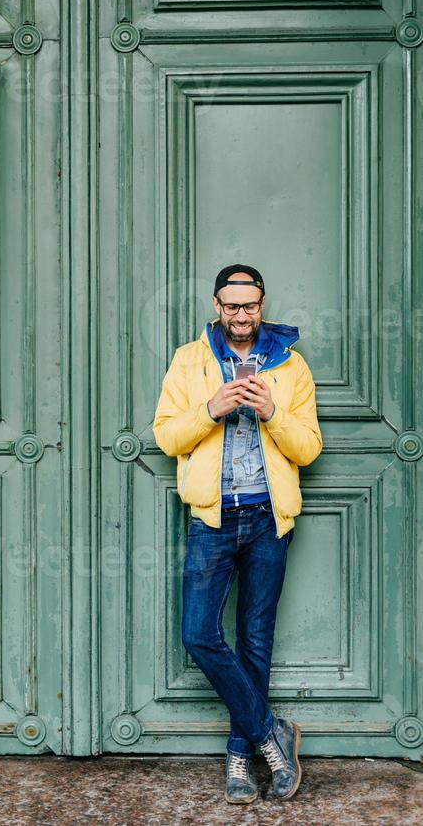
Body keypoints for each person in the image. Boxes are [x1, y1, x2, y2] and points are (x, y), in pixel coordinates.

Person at [153, 264, 322, 803]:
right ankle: (272, 733)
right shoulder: (190, 360)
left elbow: (309, 448)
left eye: (250, 306)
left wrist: (272, 412)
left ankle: (241, 756)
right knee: (200, 635)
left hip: (269, 519)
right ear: (216, 304)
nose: (241, 315)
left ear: (262, 305)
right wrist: (210, 409)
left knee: (254, 639)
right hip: (213, 517)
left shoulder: (290, 366)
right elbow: (165, 436)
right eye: (232, 306)